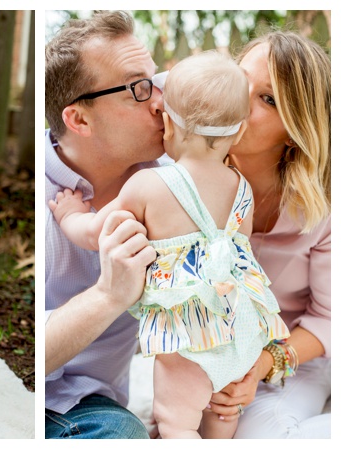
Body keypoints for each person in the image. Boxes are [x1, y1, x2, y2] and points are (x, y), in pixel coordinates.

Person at [50, 51, 291, 439]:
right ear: (240, 132)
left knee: (174, 420)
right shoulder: (241, 187)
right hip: (239, 328)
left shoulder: (150, 185)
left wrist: (68, 214)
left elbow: (97, 233)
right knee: (223, 413)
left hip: (189, 336)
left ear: (166, 123)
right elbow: (239, 249)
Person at [43, 10, 163, 439]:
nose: (160, 100)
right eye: (138, 87)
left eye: (156, 79)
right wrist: (110, 294)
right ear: (79, 120)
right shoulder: (39, 197)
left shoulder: (170, 177)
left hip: (92, 408)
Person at [210, 31, 331, 439]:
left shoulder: (324, 208)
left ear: (296, 129)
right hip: (210, 353)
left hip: (292, 356)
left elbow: (328, 320)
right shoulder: (188, 172)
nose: (240, 101)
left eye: (268, 99)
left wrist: (262, 364)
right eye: (240, 81)